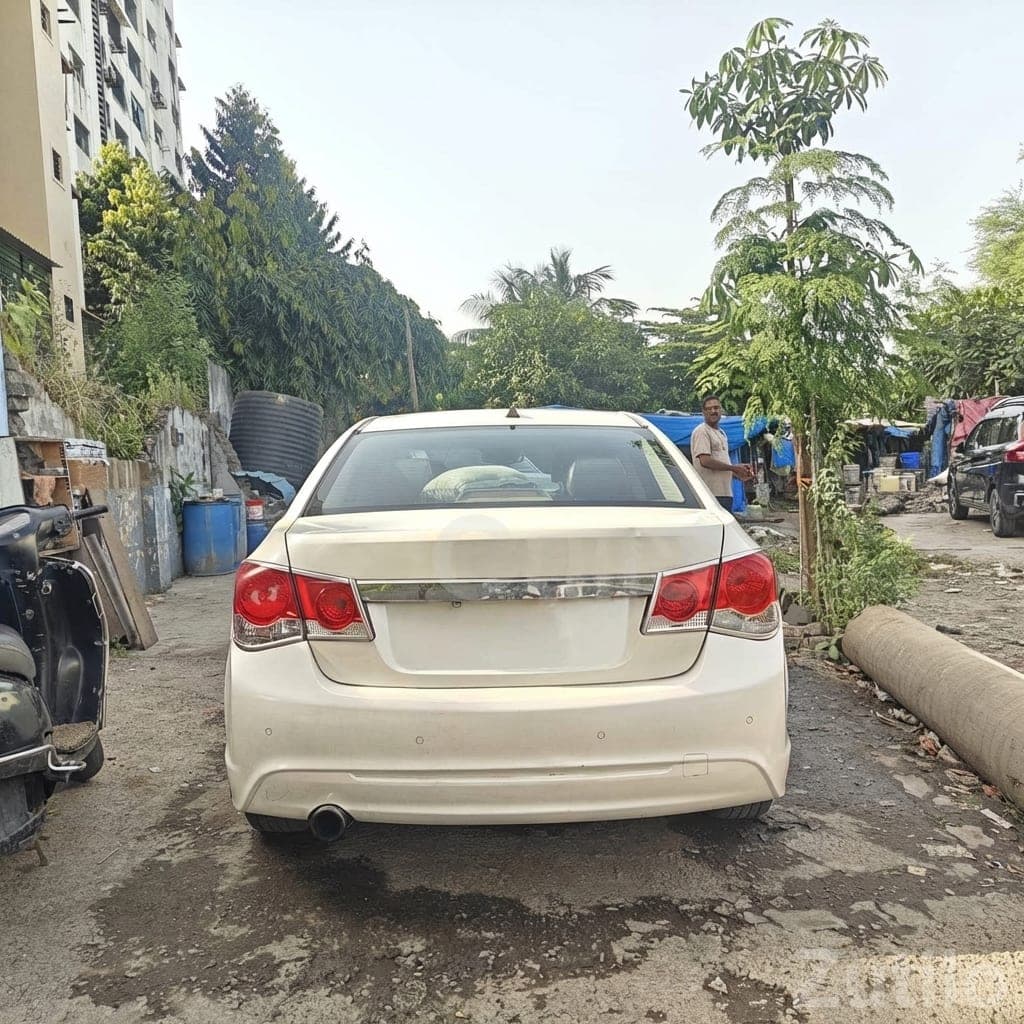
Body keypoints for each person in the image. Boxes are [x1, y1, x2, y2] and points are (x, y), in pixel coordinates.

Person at [690, 395, 753, 512]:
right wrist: (734, 468)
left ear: (721, 410)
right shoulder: (702, 431)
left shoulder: (722, 433)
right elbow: (705, 461)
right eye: (709, 409)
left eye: (716, 407)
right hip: (710, 494)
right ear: (703, 412)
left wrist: (740, 472)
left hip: (725, 493)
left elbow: (722, 465)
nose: (713, 411)